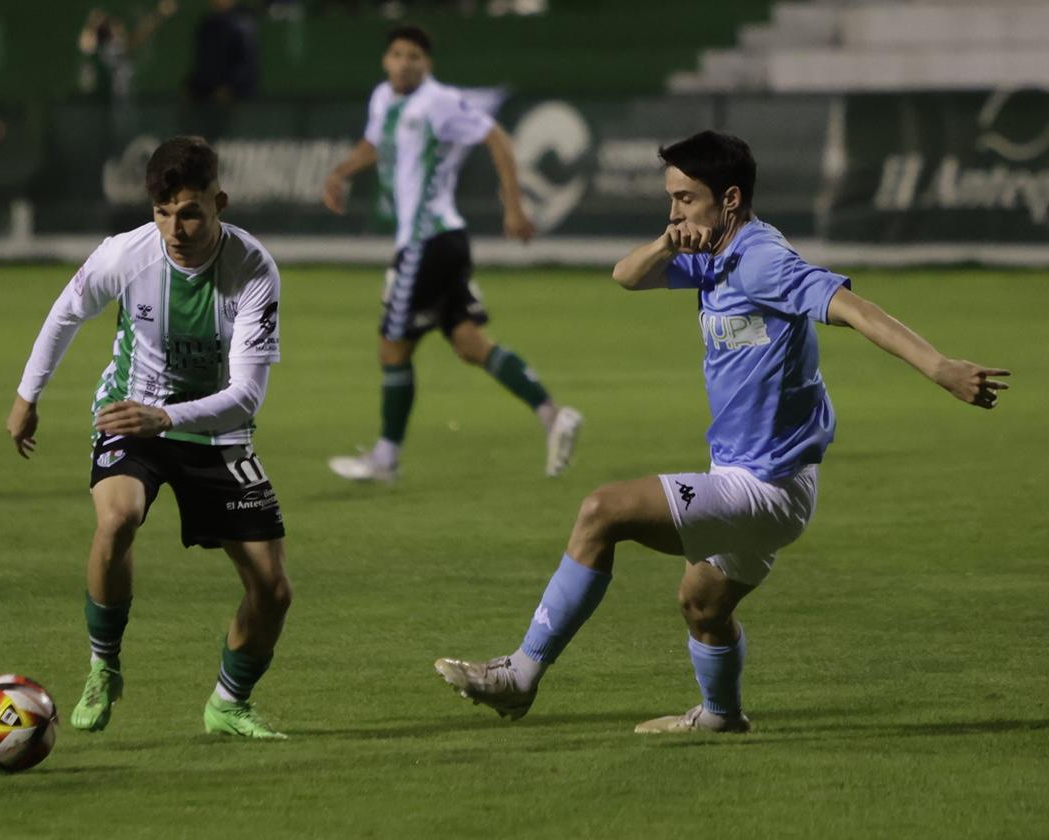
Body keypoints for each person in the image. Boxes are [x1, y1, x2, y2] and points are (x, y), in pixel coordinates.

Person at [433, 130, 1010, 733]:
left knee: (601, 510)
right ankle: (721, 717)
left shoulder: (762, 261)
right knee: (703, 604)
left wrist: (941, 368)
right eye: (670, 198)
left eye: (685, 198)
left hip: (766, 486)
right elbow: (626, 275)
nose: (674, 209)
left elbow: (854, 309)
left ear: (729, 199)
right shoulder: (712, 253)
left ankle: (518, 676)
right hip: (751, 477)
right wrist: (667, 240)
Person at [6, 136, 292, 740]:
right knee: (117, 519)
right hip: (129, 414)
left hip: (214, 429)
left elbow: (247, 396)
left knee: (272, 589)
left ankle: (228, 703)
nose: (176, 228)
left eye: (190, 212)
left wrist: (165, 418)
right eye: (163, 213)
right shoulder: (126, 255)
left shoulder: (252, 269)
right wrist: (28, 397)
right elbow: (66, 311)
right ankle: (102, 667)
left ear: (220, 202)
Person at [322, 24, 582, 482]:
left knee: (393, 346)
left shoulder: (438, 102)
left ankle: (386, 457)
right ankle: (551, 414)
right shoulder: (384, 97)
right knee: (469, 343)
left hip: (429, 242)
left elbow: (497, 138)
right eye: (398, 54)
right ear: (387, 60)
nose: (405, 63)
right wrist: (341, 172)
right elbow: (375, 144)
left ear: (428, 65)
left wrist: (514, 207)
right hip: (440, 243)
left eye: (415, 56)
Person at [77, 0, 178, 104]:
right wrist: (160, 14)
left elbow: (140, 34)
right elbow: (141, 34)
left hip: (109, 100)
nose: (121, 27)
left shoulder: (102, 50)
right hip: (112, 102)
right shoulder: (110, 50)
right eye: (116, 26)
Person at [187, 0, 259, 104]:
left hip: (233, 96)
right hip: (205, 94)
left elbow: (246, 63)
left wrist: (230, 88)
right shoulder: (207, 23)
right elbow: (202, 60)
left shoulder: (242, 22)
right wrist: (192, 84)